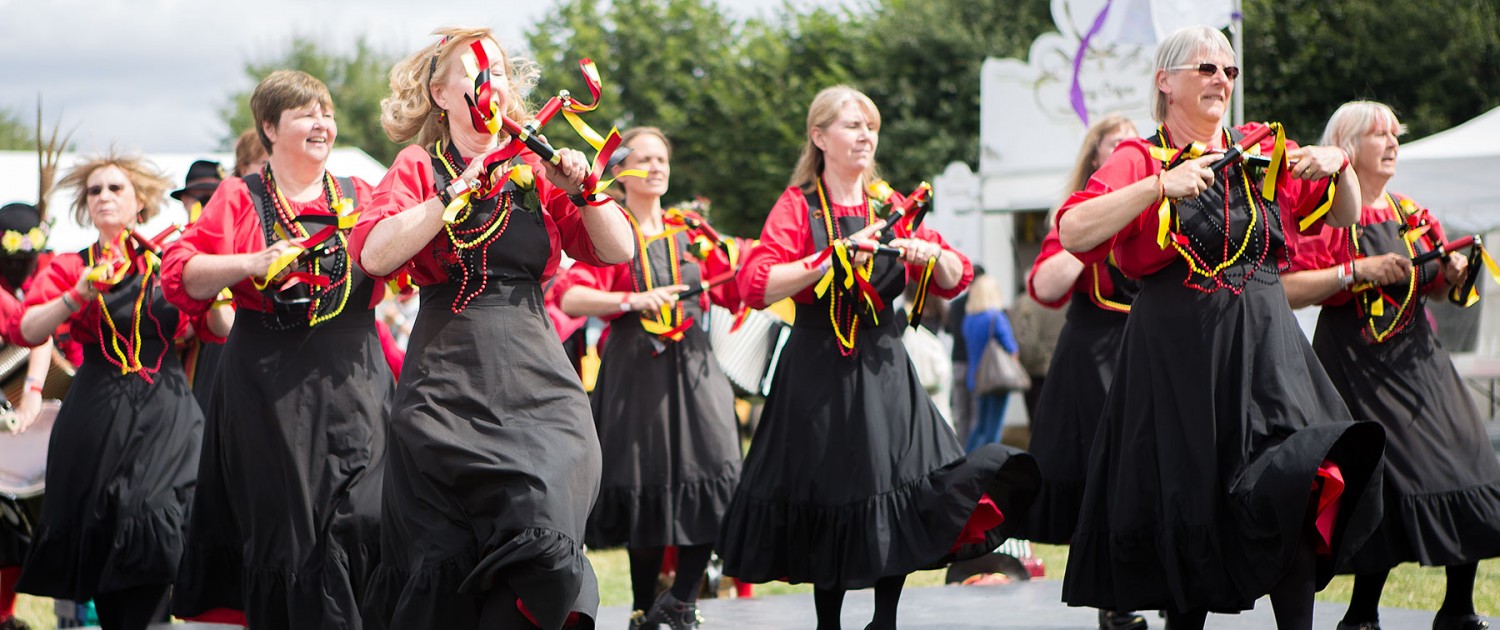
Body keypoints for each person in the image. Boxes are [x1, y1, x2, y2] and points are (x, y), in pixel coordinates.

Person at [1055, 26, 1387, 630]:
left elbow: (1345, 214)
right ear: (1166, 82)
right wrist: (1161, 185)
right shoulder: (1141, 156)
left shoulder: (1260, 148)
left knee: (1295, 485)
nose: (1221, 81)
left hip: (1267, 351)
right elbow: (1076, 231)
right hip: (1181, 358)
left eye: (1229, 72)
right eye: (1206, 68)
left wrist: (1341, 163)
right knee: (1189, 507)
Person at [716, 85, 1039, 630]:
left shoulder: (891, 206)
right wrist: (830, 257)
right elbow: (757, 284)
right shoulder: (798, 205)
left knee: (900, 484)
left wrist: (932, 255)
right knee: (829, 489)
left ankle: (884, 620)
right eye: (852, 125)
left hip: (884, 363)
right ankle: (829, 623)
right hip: (817, 366)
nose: (865, 135)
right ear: (820, 137)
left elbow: (957, 277)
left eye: (870, 126)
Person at [349, 27, 633, 630]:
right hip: (444, 384)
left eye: (500, 69)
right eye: (475, 68)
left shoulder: (536, 163)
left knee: (550, 531)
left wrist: (585, 193)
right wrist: (451, 193)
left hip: (537, 378)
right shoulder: (418, 166)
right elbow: (373, 255)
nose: (490, 79)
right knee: (447, 568)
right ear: (441, 93)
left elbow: (619, 249)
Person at [162, 70, 392, 629]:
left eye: (328, 113)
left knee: (367, 516)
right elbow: (181, 274)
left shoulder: (361, 195)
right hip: (269, 386)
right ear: (270, 126)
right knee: (289, 534)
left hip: (355, 377)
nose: (323, 124)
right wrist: (251, 263)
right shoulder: (241, 196)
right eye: (306, 114)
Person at [1283, 101, 1500, 630]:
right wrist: (1356, 270)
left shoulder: (1412, 214)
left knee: (1468, 461)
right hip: (1357, 362)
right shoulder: (1326, 218)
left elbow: (1447, 295)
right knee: (1387, 478)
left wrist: (1452, 272)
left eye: (1395, 134)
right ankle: (1361, 613)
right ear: (1346, 146)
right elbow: (1287, 290)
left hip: (1422, 363)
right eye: (1379, 135)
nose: (1393, 143)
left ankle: (1458, 606)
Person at [14, 153, 216, 630]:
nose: (103, 197)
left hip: (166, 413)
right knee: (109, 546)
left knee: (155, 529)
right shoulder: (72, 265)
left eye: (115, 189)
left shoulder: (171, 261)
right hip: (97, 418)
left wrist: (217, 281)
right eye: (94, 191)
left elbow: (218, 327)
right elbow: (28, 327)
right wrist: (76, 295)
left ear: (140, 201)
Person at [556, 127, 744, 629]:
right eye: (646, 158)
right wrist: (632, 301)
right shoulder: (608, 229)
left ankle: (682, 600)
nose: (658, 166)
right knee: (645, 481)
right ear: (621, 172)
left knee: (713, 466)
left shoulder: (692, 232)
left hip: (694, 367)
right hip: (635, 366)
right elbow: (571, 297)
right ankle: (643, 607)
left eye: (663, 158)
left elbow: (741, 282)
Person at [1013, 114, 1148, 629]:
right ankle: (1114, 600)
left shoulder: (1166, 203)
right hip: (1094, 357)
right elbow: (1044, 287)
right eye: (1115, 147)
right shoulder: (1075, 214)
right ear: (1096, 160)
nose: (1127, 152)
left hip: (1154, 351)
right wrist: (1090, 230)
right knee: (1106, 479)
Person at [167, 160, 228, 412]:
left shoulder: (241, 244)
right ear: (186, 202)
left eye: (214, 196)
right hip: (194, 361)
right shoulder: (173, 251)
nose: (208, 204)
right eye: (201, 198)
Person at [960, 274, 1018, 452]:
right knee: (993, 430)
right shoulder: (996, 317)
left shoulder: (968, 319)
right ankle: (988, 470)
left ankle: (966, 464)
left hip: (975, 379)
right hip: (996, 380)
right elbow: (1012, 349)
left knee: (979, 428)